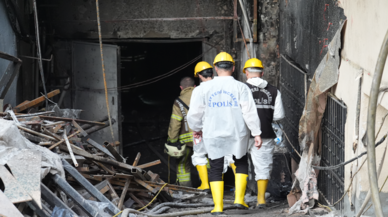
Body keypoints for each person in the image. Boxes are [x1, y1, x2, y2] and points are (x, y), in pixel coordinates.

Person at [188, 52, 263, 215]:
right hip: (238, 132)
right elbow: (249, 112)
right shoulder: (241, 87)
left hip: (213, 133)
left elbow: (194, 114)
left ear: (215, 68)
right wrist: (257, 133)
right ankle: (239, 200)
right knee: (241, 161)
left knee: (215, 166)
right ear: (234, 68)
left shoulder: (202, 89)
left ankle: (218, 207)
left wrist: (197, 129)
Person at [243, 58, 285, 208]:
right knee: (263, 167)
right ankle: (261, 199)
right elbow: (278, 116)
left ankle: (239, 198)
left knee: (237, 162)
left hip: (242, 133)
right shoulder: (274, 91)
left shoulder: (241, 88)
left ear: (246, 73)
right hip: (265, 133)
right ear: (262, 73)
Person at [191, 62, 236, 193]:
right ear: (213, 72)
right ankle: (237, 188)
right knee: (228, 155)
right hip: (225, 127)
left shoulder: (199, 90)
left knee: (199, 155)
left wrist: (196, 128)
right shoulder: (222, 87)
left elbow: (194, 113)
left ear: (199, 75)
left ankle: (205, 185)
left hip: (204, 128)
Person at [166, 77, 196, 187]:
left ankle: (186, 189)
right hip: (204, 140)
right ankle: (210, 187)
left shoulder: (178, 101)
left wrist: (172, 140)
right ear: (195, 86)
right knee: (207, 163)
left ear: (181, 88)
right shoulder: (203, 97)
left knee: (183, 165)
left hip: (185, 142)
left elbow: (175, 123)